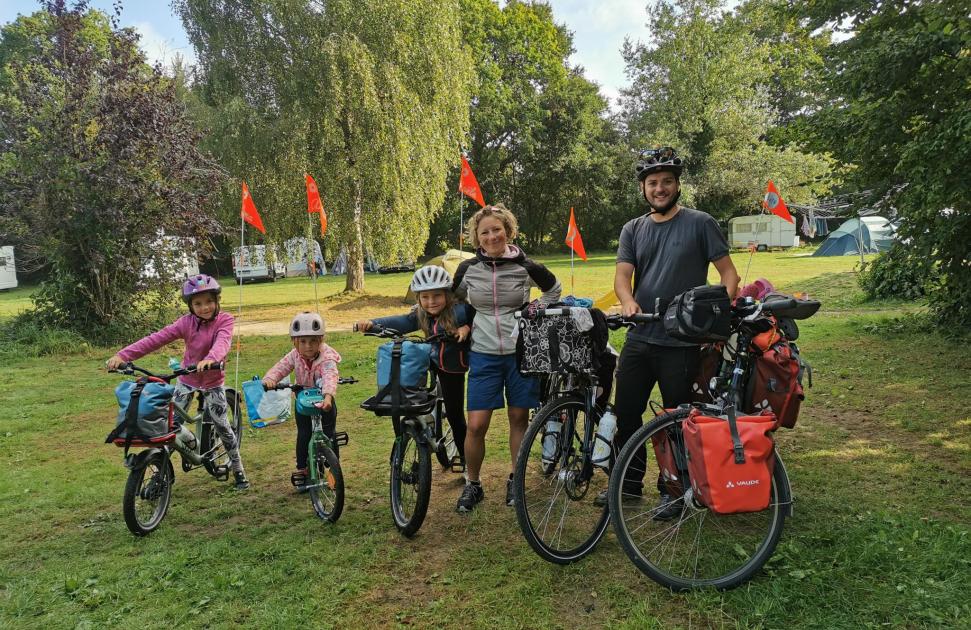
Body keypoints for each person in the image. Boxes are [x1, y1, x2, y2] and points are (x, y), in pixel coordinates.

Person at [600, 147, 740, 516]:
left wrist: (714, 316)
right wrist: (628, 301)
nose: (659, 189)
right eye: (652, 183)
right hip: (640, 337)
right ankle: (626, 485)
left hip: (681, 341)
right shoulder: (633, 228)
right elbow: (622, 276)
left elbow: (729, 274)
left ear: (677, 185)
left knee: (676, 420)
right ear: (643, 188)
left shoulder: (700, 223)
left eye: (666, 182)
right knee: (626, 415)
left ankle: (674, 490)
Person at [451, 204, 562, 512]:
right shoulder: (468, 269)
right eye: (484, 232)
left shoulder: (526, 265)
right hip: (483, 354)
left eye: (497, 230)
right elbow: (455, 299)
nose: (491, 236)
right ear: (477, 237)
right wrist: (463, 320)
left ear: (508, 232)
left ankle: (516, 479)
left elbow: (554, 290)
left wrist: (535, 308)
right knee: (476, 424)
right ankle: (473, 484)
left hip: (520, 352)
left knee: (518, 418)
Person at [106, 274, 249, 490]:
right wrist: (124, 356)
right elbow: (156, 338)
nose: (205, 307)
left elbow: (223, 341)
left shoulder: (224, 320)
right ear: (190, 306)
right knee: (168, 425)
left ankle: (238, 469)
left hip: (212, 381)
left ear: (217, 301)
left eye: (209, 301)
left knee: (222, 425)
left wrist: (211, 358)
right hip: (187, 379)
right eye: (198, 303)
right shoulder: (186, 323)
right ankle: (166, 464)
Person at [355, 266, 472, 468]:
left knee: (455, 415)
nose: (431, 301)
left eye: (437, 296)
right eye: (425, 297)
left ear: (447, 294)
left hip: (451, 368)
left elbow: (478, 317)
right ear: (418, 298)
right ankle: (424, 423)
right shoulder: (422, 314)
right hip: (426, 360)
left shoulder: (460, 311)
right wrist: (372, 323)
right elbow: (402, 321)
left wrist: (466, 327)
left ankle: (467, 464)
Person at [261, 312, 342, 490]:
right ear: (294, 342)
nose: (308, 346)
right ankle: (303, 469)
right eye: (303, 341)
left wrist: (328, 396)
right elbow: (281, 367)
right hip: (303, 403)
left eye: (313, 341)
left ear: (321, 339)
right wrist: (270, 379)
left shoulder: (326, 356)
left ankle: (333, 469)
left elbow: (330, 374)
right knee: (304, 434)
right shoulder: (294, 356)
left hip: (325, 401)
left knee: (330, 434)